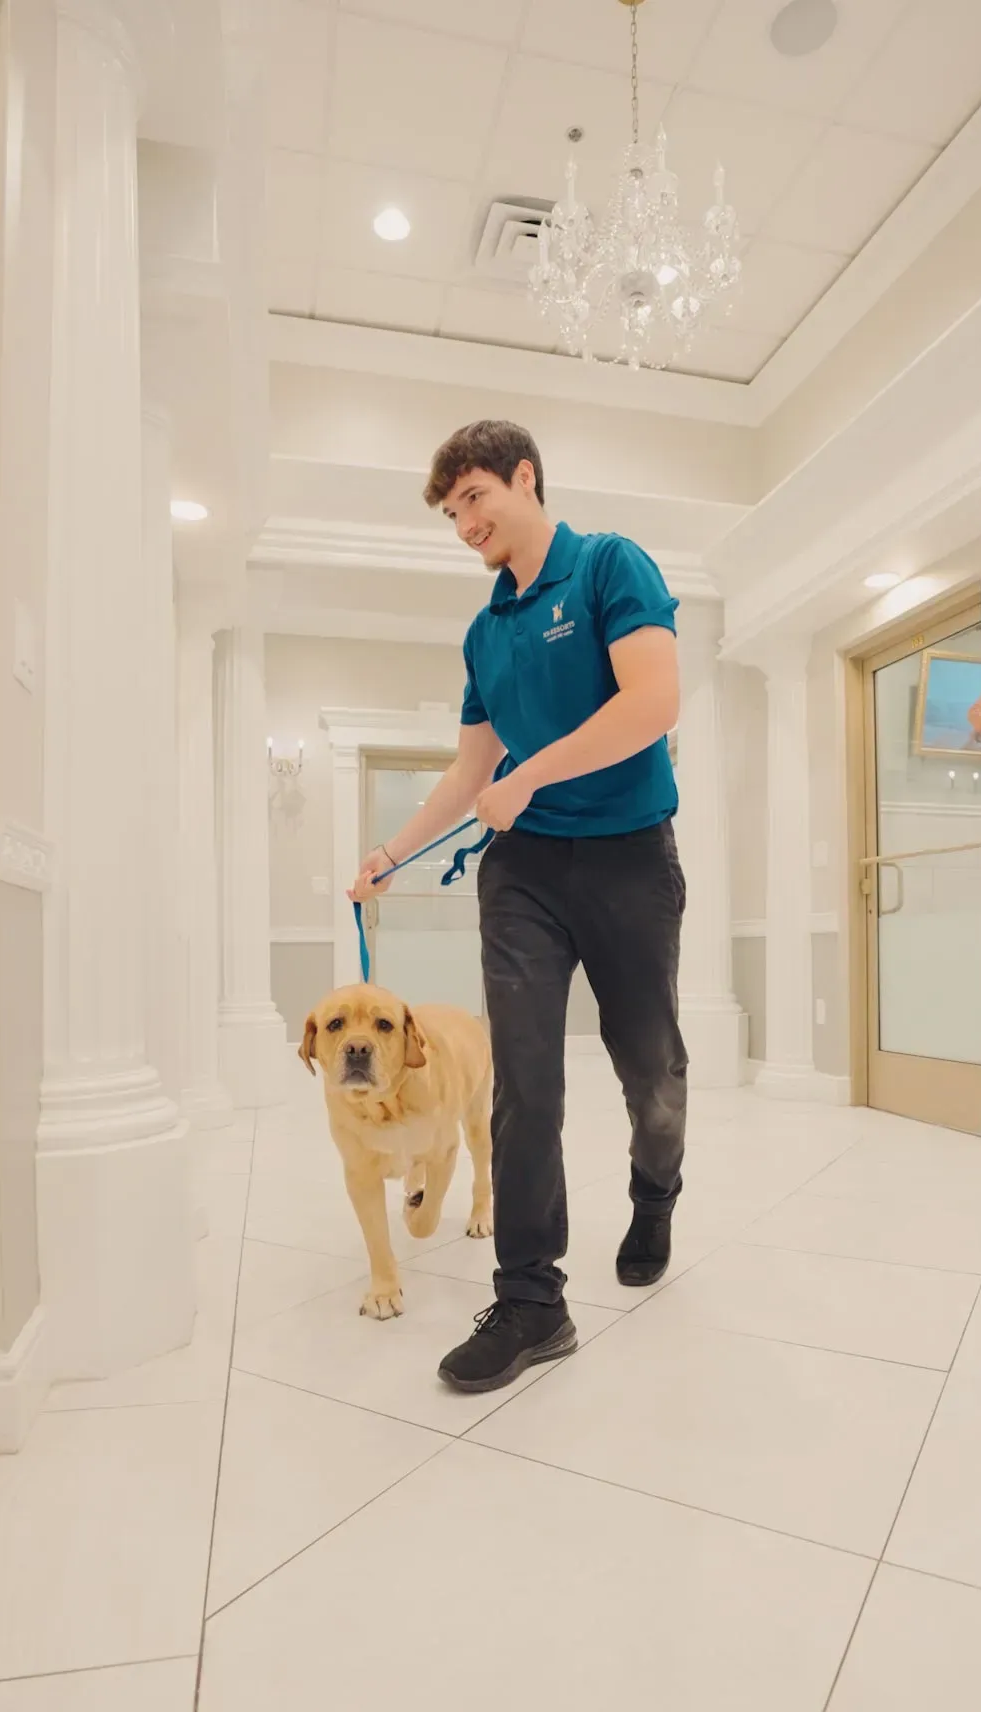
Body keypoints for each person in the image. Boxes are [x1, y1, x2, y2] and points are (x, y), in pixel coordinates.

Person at [350, 420, 686, 1393]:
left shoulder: (609, 568)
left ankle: (655, 1190)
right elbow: (470, 769)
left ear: (524, 477)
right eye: (450, 511)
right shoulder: (485, 630)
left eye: (473, 499)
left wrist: (530, 775)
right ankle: (534, 1302)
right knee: (524, 1081)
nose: (462, 523)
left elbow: (653, 702)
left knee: (650, 1070)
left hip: (629, 859)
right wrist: (390, 853)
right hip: (524, 874)